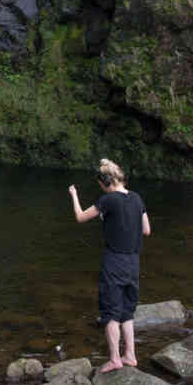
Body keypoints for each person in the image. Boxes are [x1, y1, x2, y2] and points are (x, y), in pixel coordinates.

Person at [68, 158, 151, 373]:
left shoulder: (108, 200)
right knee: (127, 311)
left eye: (101, 185)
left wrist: (74, 195)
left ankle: (115, 359)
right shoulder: (137, 198)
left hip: (114, 262)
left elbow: (80, 217)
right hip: (133, 262)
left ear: (106, 182)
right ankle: (130, 355)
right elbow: (146, 230)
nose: (101, 188)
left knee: (110, 312)